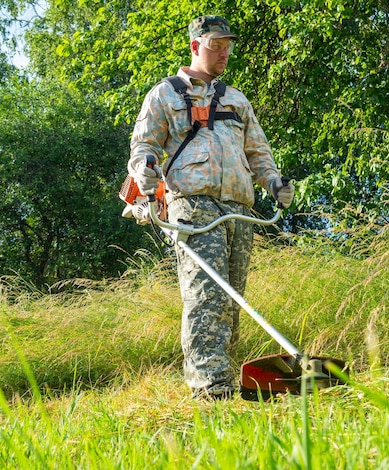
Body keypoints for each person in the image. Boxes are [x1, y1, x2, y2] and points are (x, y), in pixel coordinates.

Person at [127, 15, 295, 400]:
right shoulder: (165, 94)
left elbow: (259, 153)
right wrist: (145, 172)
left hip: (238, 207)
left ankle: (224, 379)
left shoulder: (237, 100)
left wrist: (274, 183)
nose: (224, 52)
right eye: (216, 45)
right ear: (195, 46)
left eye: (228, 45)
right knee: (207, 296)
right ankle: (210, 390)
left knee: (233, 298)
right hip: (193, 205)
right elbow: (144, 147)